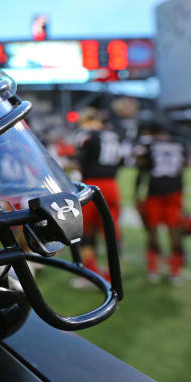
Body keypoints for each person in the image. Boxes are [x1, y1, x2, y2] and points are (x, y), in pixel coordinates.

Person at [133, 122, 187, 284]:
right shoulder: (179, 142)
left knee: (152, 230)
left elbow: (141, 168)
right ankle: (175, 271)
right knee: (174, 230)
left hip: (155, 191)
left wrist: (136, 193)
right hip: (175, 191)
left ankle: (153, 268)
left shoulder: (147, 143)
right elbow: (183, 166)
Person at [74, 107, 121, 281]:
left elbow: (80, 161)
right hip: (112, 185)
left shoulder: (87, 134)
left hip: (92, 185)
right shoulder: (113, 135)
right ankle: (110, 277)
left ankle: (92, 275)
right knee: (110, 232)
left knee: (84, 232)